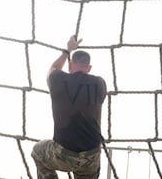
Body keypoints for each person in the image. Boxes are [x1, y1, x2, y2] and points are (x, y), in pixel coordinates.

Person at [31, 35, 107, 179]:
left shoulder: (58, 79)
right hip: (91, 155)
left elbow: (53, 68)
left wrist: (67, 50)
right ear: (89, 68)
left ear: (70, 65)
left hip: (64, 152)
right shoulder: (99, 83)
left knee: (37, 152)